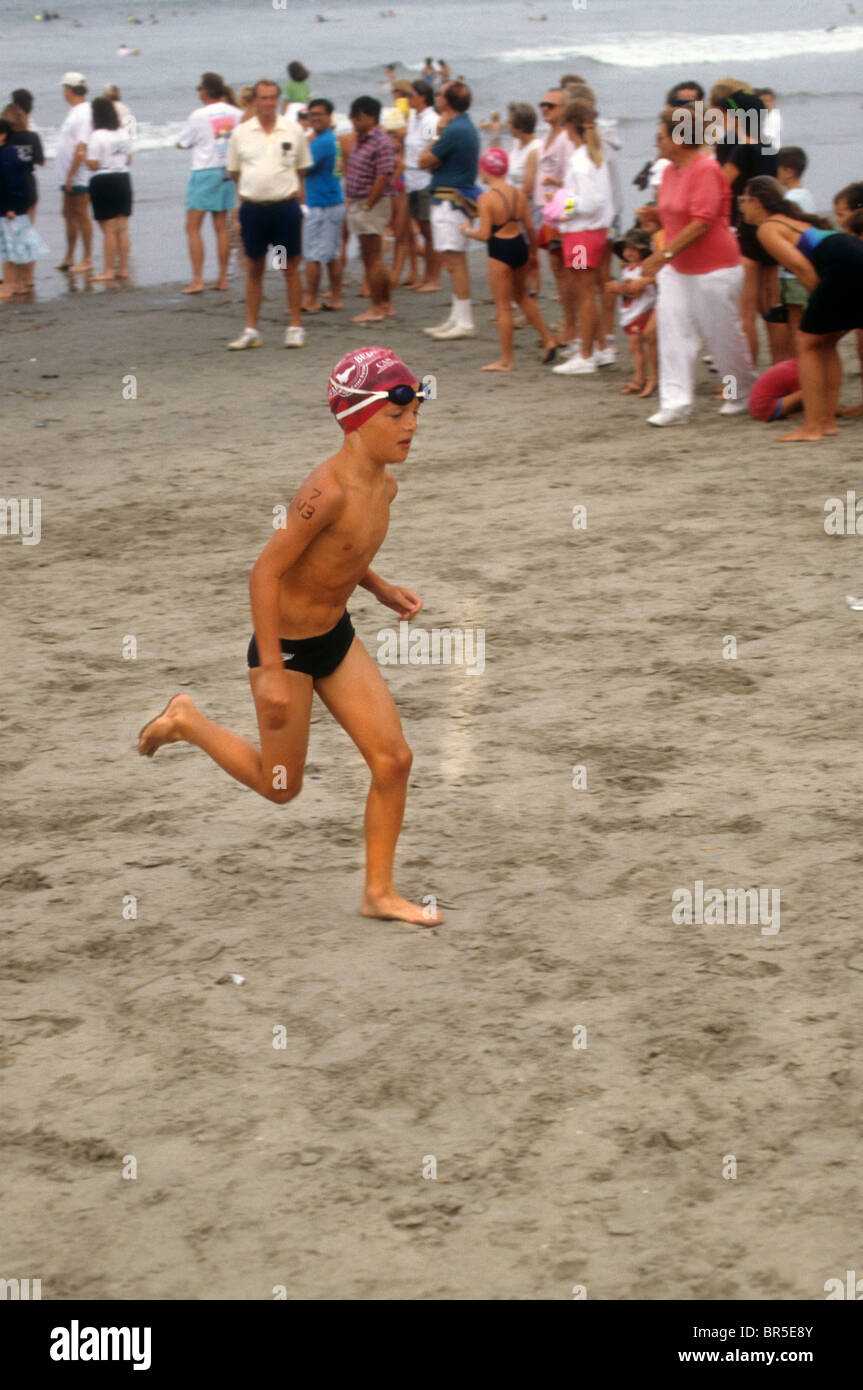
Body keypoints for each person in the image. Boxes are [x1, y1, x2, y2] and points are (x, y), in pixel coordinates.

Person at [138, 346, 442, 930]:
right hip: (288, 650)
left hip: (336, 637)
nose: (413, 426)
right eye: (398, 415)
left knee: (394, 760)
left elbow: (342, 552)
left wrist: (377, 587)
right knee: (282, 788)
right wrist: (274, 670)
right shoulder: (323, 491)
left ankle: (379, 892)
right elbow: (266, 572)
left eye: (416, 413)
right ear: (356, 419)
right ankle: (187, 721)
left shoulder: (385, 487)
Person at [637, 105, 755, 427]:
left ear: (679, 136)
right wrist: (655, 216)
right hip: (678, 268)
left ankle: (738, 391)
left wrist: (662, 256)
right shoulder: (668, 171)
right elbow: (677, 214)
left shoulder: (706, 169)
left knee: (721, 338)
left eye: (660, 136)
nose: (656, 143)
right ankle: (675, 404)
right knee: (673, 332)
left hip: (714, 267)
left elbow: (702, 221)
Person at [740, 174, 863, 442]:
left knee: (806, 343)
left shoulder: (768, 228)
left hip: (841, 263)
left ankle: (813, 427)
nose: (741, 206)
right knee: (824, 344)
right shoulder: (791, 221)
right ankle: (826, 422)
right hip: (853, 254)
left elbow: (801, 268)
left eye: (743, 200)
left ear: (757, 202)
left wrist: (818, 305)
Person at [225, 78, 311, 350]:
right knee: (254, 268)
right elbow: (235, 172)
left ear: (277, 99)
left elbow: (301, 168)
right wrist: (247, 197)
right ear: (254, 101)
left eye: (273, 97)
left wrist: (296, 197)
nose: (268, 102)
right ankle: (251, 329)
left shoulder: (292, 129)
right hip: (254, 210)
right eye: (263, 97)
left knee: (287, 266)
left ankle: (295, 325)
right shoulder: (241, 133)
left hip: (283, 208)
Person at [462, 147, 556, 371]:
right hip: (520, 246)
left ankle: (507, 360)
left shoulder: (486, 199)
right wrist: (533, 253)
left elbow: (484, 234)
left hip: (500, 250)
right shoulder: (518, 194)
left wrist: (467, 230)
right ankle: (549, 339)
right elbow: (530, 226)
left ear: (486, 170)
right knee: (523, 297)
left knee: (503, 307)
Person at [712, 88, 780, 366]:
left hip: (748, 230)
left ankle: (744, 379)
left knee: (744, 313)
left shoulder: (742, 149)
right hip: (770, 228)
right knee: (771, 309)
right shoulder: (768, 145)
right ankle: (781, 367)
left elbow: (718, 188)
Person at [550, 97, 615, 377]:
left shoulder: (580, 159)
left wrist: (562, 204)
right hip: (594, 231)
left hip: (581, 233)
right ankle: (600, 347)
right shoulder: (593, 154)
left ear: (569, 126)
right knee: (588, 293)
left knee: (584, 294)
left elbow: (589, 201)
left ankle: (586, 354)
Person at [419, 80, 480, 340]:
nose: (437, 97)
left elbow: (423, 161)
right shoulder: (464, 127)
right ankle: (458, 316)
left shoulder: (453, 129)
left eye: (440, 94)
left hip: (449, 199)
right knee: (455, 259)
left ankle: (464, 320)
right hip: (455, 196)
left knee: (454, 261)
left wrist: (437, 133)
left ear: (447, 101)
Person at [176, 72, 242, 294]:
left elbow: (183, 142)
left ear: (205, 90)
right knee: (221, 226)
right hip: (227, 170)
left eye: (199, 88)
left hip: (205, 170)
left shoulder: (199, 114)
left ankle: (197, 279)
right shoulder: (237, 113)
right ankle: (222, 278)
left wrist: (183, 143)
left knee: (193, 227)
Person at [344, 95, 397, 323]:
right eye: (352, 116)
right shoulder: (362, 139)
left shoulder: (381, 141)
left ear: (371, 117)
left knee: (372, 256)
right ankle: (385, 303)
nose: (354, 120)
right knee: (372, 256)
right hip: (360, 201)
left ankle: (377, 306)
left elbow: (383, 176)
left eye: (358, 116)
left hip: (371, 202)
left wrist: (367, 205)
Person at [533, 89, 576, 348]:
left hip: (561, 214)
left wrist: (566, 216)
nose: (545, 108)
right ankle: (570, 324)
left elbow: (572, 179)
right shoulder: (549, 136)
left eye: (551, 105)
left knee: (568, 272)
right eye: (543, 104)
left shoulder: (565, 139)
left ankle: (573, 328)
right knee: (558, 271)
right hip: (548, 213)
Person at [77, 95, 133, 282]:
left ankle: (108, 270)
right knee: (122, 227)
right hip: (123, 177)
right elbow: (128, 159)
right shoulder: (123, 133)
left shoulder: (97, 135)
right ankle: (123, 269)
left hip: (103, 178)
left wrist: (82, 156)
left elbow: (93, 163)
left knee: (108, 229)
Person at [301, 97, 345, 312]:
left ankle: (311, 299)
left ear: (329, 117)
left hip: (323, 204)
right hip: (331, 200)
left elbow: (303, 167)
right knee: (330, 254)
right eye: (312, 114)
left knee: (313, 254)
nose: (315, 118)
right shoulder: (329, 139)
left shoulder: (322, 142)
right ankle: (335, 297)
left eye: (319, 114)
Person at [606, 227, 658, 396]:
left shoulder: (642, 269)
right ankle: (643, 376)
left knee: (636, 347)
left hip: (641, 312)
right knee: (635, 348)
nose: (629, 252)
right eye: (627, 248)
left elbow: (636, 291)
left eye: (635, 249)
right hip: (632, 313)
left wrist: (618, 289)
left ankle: (640, 378)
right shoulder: (628, 268)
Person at [0, 117, 48, 297]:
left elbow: (11, 182)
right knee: (17, 247)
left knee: (10, 249)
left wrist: (10, 207)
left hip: (10, 208)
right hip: (14, 206)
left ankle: (10, 286)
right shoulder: (9, 152)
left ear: (3, 135)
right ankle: (18, 285)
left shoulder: (6, 153)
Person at [774, 146, 816, 341]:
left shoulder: (789, 199)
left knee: (794, 320)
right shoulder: (807, 195)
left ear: (788, 171)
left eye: (777, 168)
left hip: (790, 270)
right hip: (807, 264)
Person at [54, 72, 92, 274]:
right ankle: (69, 256)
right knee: (68, 213)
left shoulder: (84, 112)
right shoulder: (75, 111)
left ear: (69, 90)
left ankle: (86, 258)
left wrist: (71, 174)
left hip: (78, 173)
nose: (63, 93)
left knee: (81, 213)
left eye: (64, 89)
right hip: (68, 173)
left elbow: (82, 145)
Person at [404, 80, 440, 291]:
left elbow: (429, 149)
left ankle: (432, 278)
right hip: (412, 179)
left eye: (411, 94)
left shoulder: (429, 120)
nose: (408, 98)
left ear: (422, 97)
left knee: (428, 230)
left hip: (425, 178)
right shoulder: (413, 117)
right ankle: (426, 276)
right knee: (420, 228)